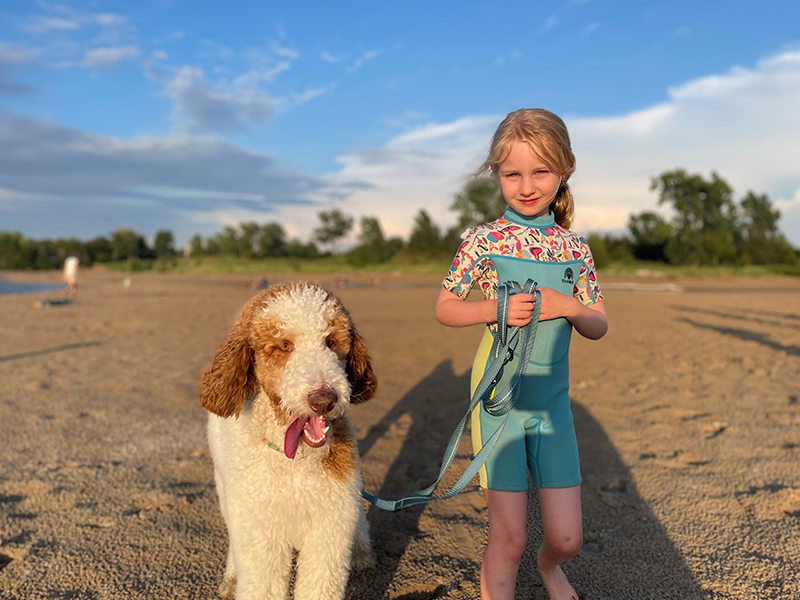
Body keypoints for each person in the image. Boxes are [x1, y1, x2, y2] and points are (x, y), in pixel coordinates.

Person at [435, 109, 608, 600]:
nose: (527, 186)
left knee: (567, 539)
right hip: (499, 404)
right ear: (496, 174)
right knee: (508, 539)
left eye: (541, 172)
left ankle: (551, 570)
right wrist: (496, 308)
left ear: (565, 169)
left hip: (553, 406)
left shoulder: (576, 248)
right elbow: (445, 307)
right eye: (512, 173)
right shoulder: (482, 240)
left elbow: (598, 323)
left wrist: (568, 305)